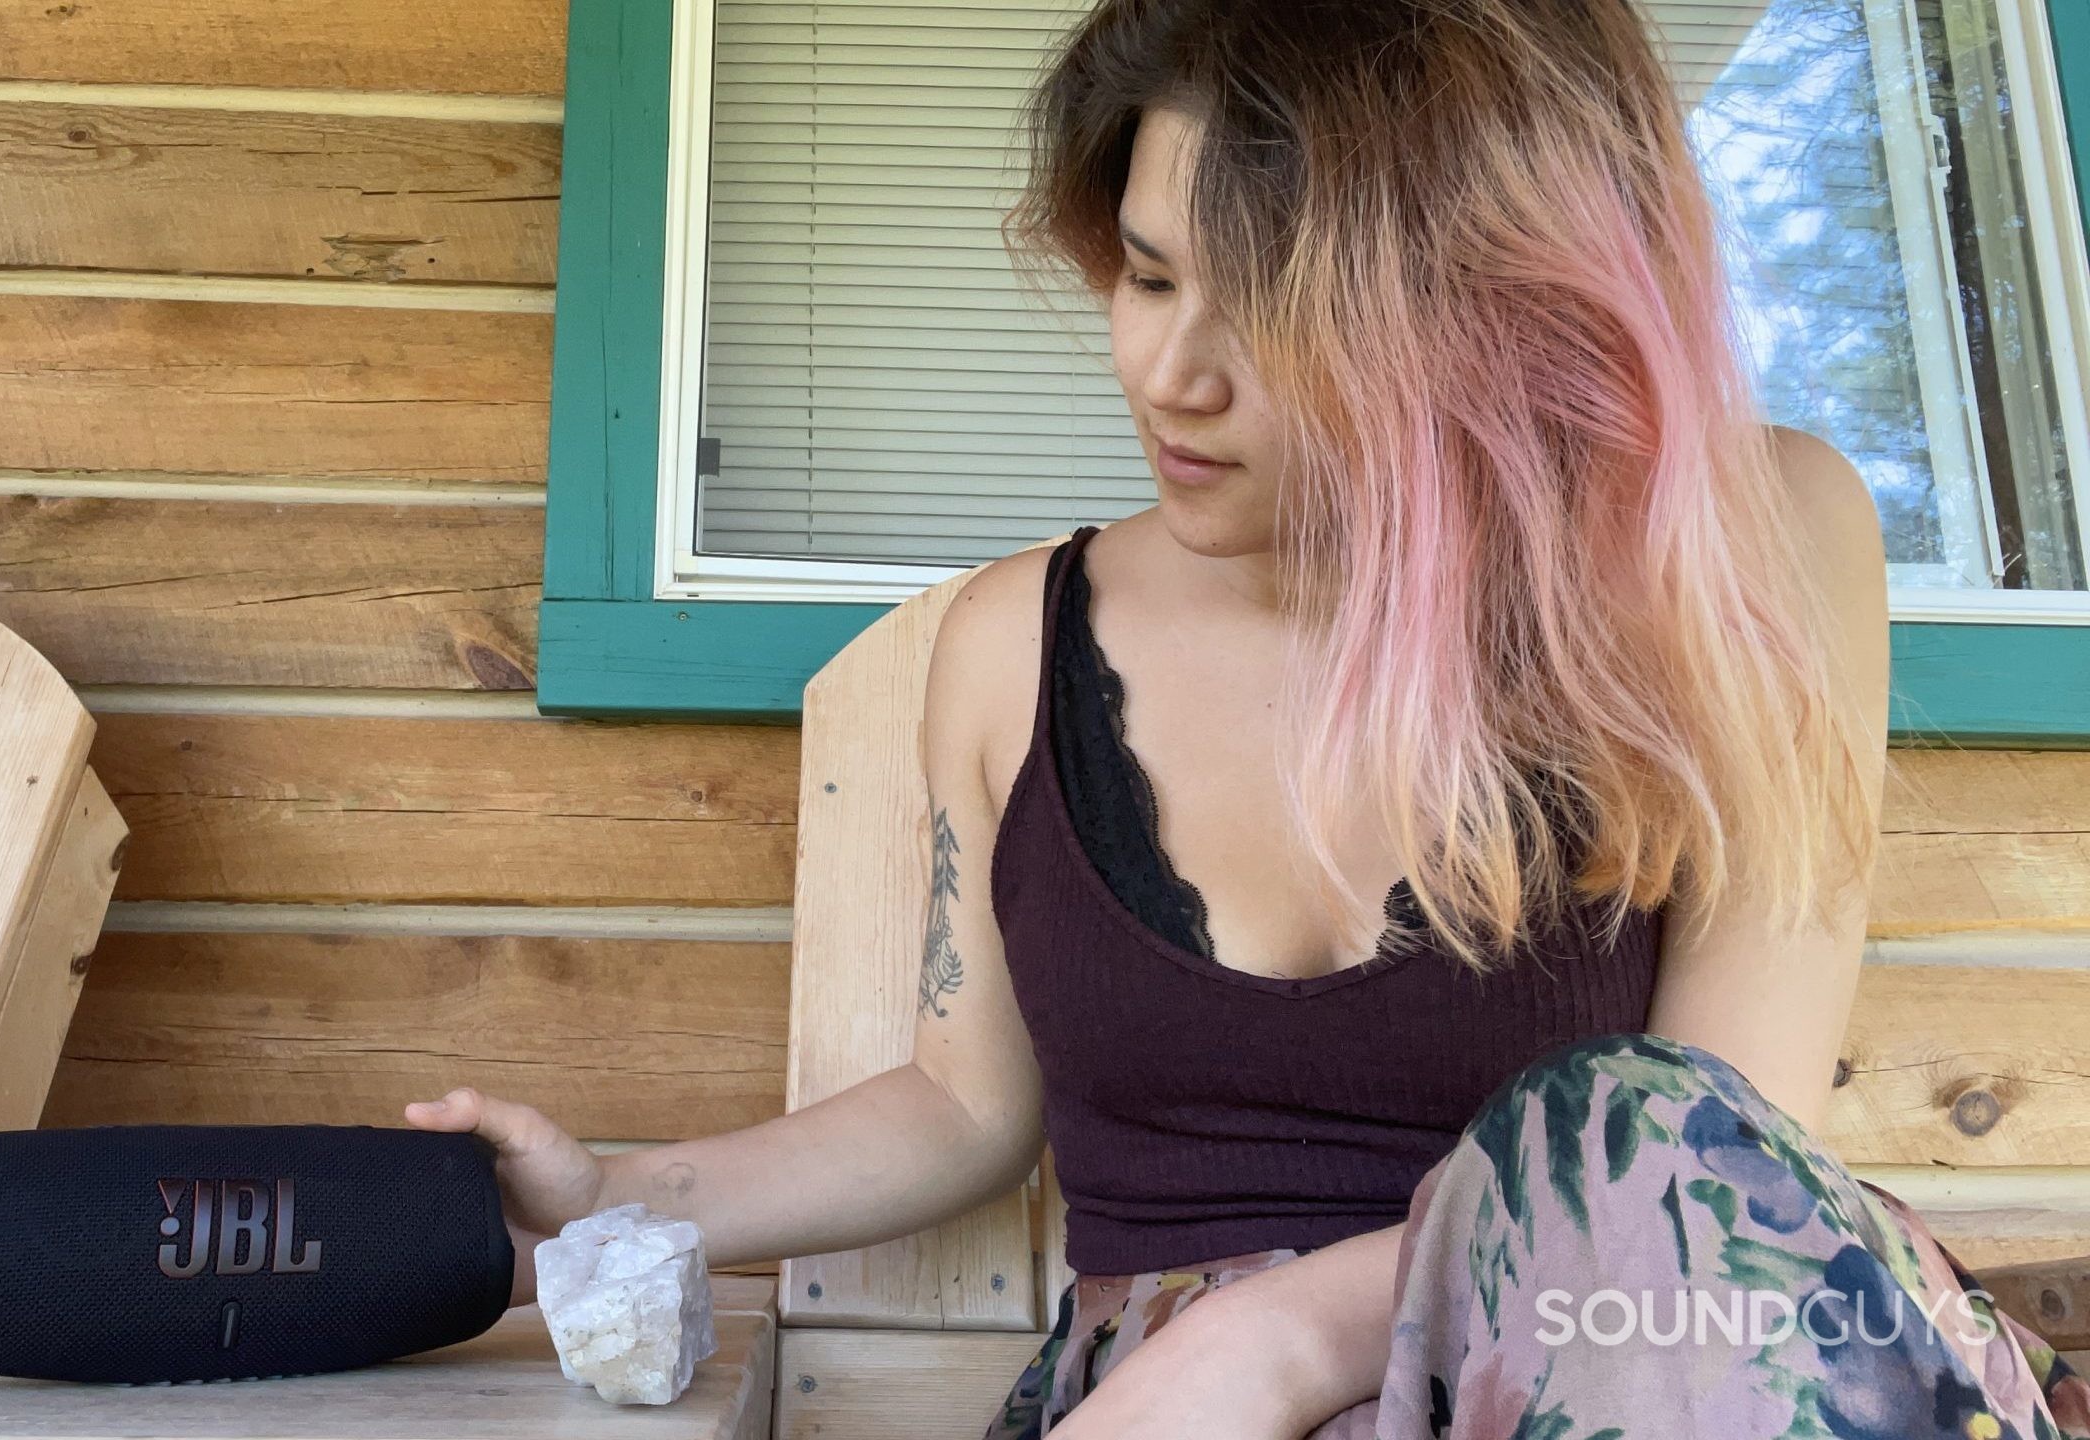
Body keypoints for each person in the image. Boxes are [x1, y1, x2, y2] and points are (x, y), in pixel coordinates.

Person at [409, 2, 2090, 1435]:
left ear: (1500, 311)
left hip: (1643, 1368)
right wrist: (617, 1202)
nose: (1170, 374)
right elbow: (962, 1103)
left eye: (1278, 318)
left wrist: (1277, 1339)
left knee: (1629, 1125)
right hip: (1164, 1408)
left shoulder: (1734, 547)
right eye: (1147, 277)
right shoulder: (1016, 652)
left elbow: (1704, 1164)